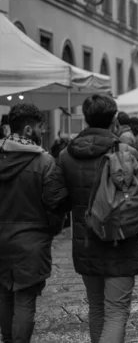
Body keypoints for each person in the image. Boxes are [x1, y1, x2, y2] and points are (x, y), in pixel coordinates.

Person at [45, 94, 138, 343]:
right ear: (115, 119)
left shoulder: (65, 155)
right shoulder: (127, 152)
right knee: (117, 312)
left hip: (86, 242)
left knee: (96, 308)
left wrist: (79, 204)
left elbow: (54, 198)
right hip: (121, 240)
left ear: (86, 118)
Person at [0, 104, 63, 343]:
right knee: (25, 300)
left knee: (4, 295)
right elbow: (55, 204)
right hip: (31, 241)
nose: (43, 132)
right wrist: (50, 230)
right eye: (40, 127)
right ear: (28, 130)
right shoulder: (45, 162)